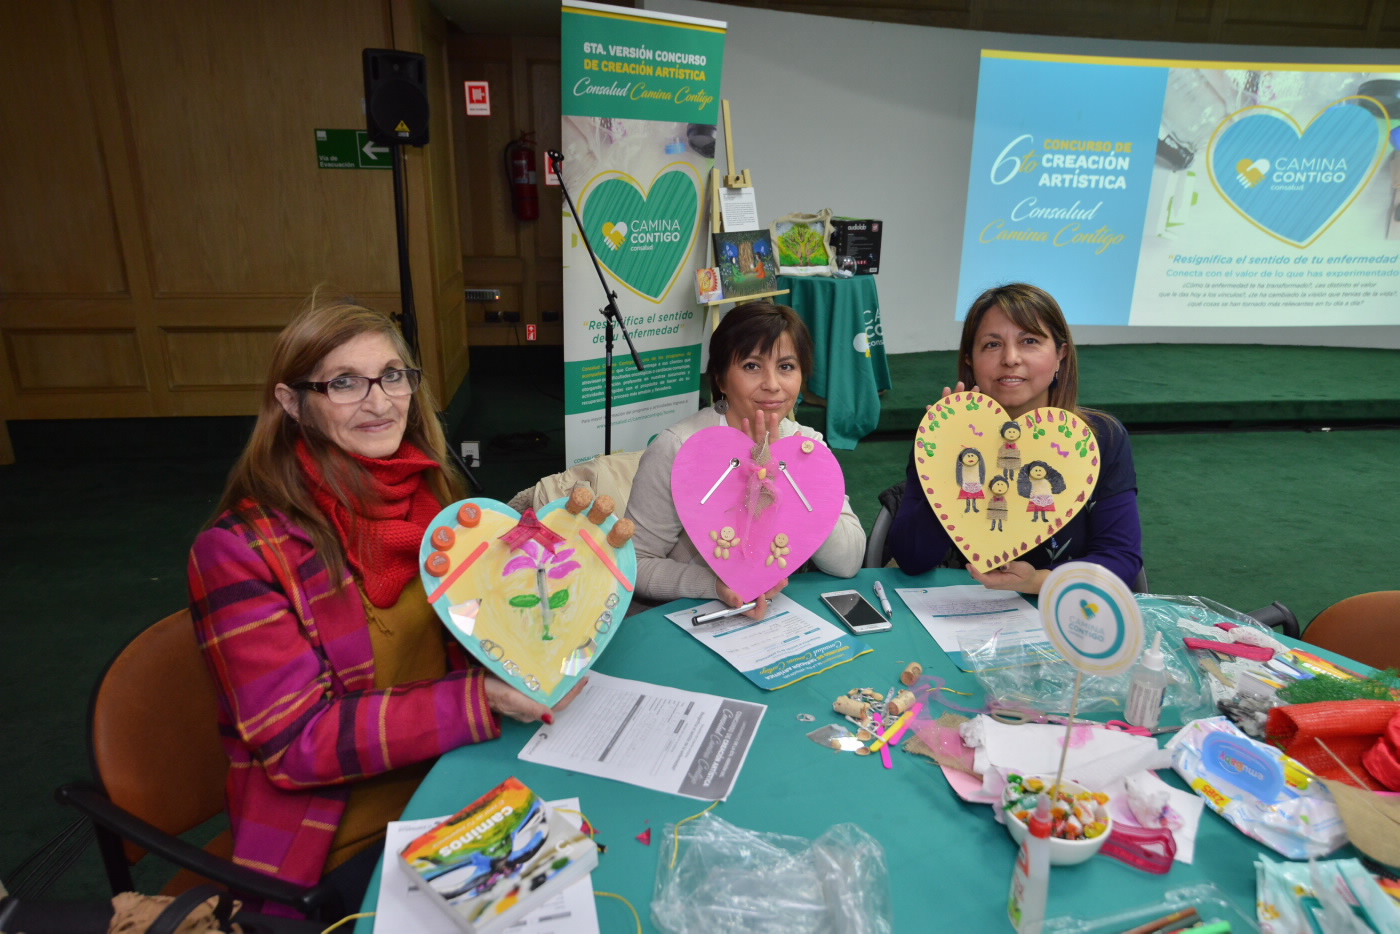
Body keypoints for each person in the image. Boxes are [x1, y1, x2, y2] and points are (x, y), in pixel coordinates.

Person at [186, 294, 582, 912]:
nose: (380, 402)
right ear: (292, 403)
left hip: (461, 780)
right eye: (344, 383)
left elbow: (485, 632)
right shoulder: (239, 550)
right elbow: (296, 744)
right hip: (338, 842)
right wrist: (480, 698)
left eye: (392, 375)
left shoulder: (431, 499)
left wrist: (571, 566)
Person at [888, 283, 1142, 593]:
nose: (1010, 358)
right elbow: (912, 559)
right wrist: (947, 453)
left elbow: (1120, 561)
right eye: (992, 344)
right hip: (960, 611)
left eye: (1029, 341)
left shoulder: (1102, 438)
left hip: (1057, 610)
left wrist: (1038, 581)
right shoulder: (942, 433)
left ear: (1060, 355)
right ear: (969, 359)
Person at [625, 301, 865, 617]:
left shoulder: (808, 447)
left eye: (786, 367)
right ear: (721, 378)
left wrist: (791, 472)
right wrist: (715, 586)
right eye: (752, 366)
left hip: (782, 617)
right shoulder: (678, 448)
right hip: (693, 616)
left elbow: (848, 562)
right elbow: (635, 564)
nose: (772, 384)